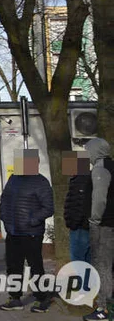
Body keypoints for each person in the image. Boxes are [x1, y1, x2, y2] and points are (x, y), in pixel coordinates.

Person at [0, 149, 54, 312]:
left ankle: (42, 298)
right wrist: (5, 219)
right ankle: (15, 298)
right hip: (12, 231)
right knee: (13, 266)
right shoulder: (13, 179)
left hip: (31, 233)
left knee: (35, 266)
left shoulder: (41, 182)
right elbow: (4, 200)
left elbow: (48, 208)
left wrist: (32, 220)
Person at [84, 138, 114, 321]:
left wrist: (94, 220)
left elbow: (99, 199)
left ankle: (103, 309)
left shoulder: (100, 169)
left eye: (88, 150)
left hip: (103, 225)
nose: (87, 154)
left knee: (102, 266)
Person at [63, 150, 92, 264]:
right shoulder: (84, 178)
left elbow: (78, 204)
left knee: (78, 260)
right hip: (85, 226)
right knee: (88, 258)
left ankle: (83, 282)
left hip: (80, 227)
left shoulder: (79, 181)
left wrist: (73, 224)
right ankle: (90, 281)